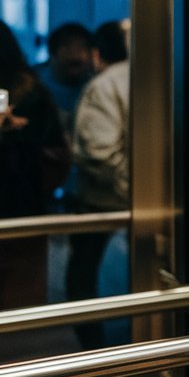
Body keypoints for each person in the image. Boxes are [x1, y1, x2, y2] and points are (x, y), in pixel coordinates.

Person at [0, 20, 70, 309]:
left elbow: (53, 151)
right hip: (24, 206)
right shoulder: (33, 91)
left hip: (20, 202)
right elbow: (57, 154)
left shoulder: (30, 94)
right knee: (19, 304)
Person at [68, 20, 129, 348]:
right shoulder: (155, 73)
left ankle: (93, 351)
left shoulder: (105, 84)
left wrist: (130, 188)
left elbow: (97, 152)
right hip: (141, 198)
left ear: (96, 53)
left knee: (83, 275)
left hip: (103, 202)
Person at [34, 23, 93, 139]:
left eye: (82, 47)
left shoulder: (95, 85)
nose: (76, 54)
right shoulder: (34, 82)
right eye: (67, 46)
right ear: (52, 52)